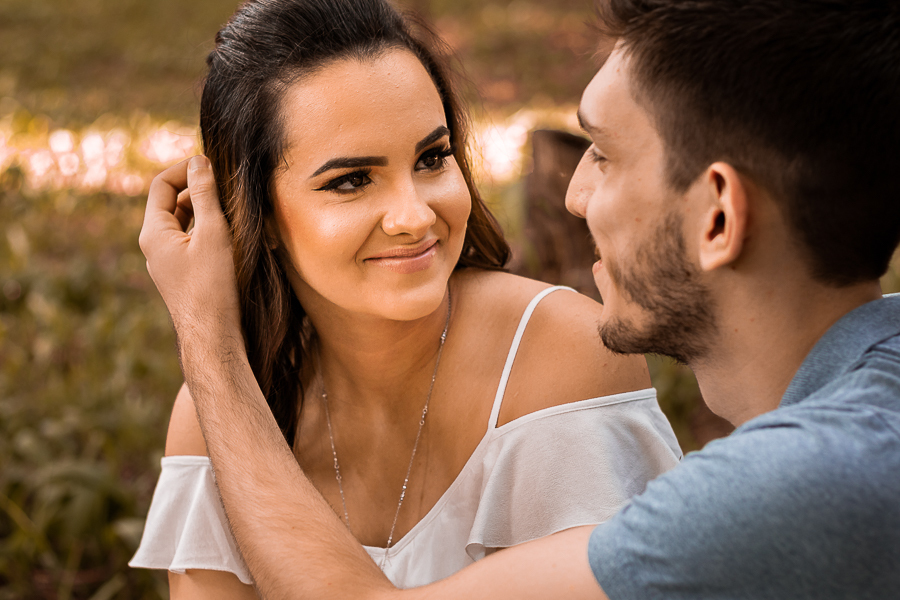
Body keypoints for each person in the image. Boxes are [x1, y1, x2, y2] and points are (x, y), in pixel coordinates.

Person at [138, 0, 900, 598]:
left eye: (604, 154)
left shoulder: (803, 484)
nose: (571, 195)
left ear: (719, 216)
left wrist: (204, 329)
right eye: (350, 178)